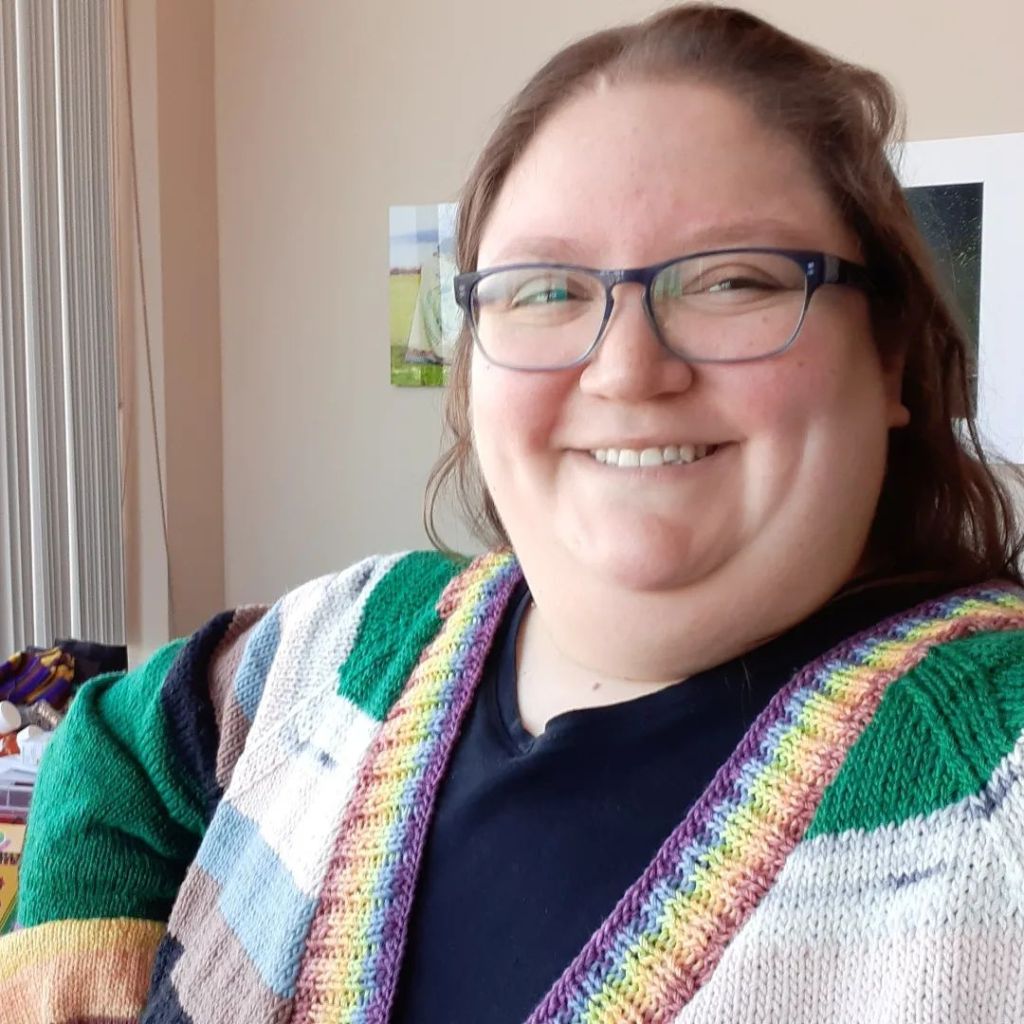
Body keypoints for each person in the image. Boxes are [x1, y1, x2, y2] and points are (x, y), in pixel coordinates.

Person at [3, 5, 1023, 1022]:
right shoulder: (354, 635)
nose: (626, 369)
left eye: (732, 280)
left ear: (889, 356)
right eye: (545, 290)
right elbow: (109, 745)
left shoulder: (996, 795)